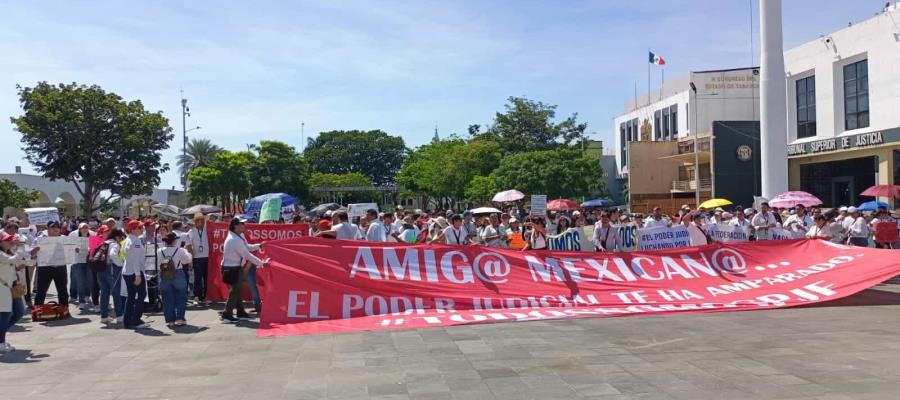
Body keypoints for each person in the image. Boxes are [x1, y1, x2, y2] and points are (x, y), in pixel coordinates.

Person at [220, 218, 269, 322]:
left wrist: (259, 245)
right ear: (236, 226)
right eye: (242, 223)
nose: (245, 225)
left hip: (236, 268)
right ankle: (226, 314)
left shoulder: (240, 236)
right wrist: (261, 263)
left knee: (238, 291)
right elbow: (247, 254)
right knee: (235, 292)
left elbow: (247, 247)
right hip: (231, 268)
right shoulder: (234, 240)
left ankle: (240, 312)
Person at [0, 233, 30, 353]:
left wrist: (18, 267)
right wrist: (20, 247)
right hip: (2, 288)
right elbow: (14, 259)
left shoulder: (8, 253)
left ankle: (1, 337)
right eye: (6, 240)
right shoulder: (2, 254)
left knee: (19, 312)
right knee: (5, 315)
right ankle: (1, 342)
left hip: (11, 287)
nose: (10, 242)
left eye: (10, 240)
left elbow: (14, 262)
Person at [157, 232, 192, 327]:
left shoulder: (160, 250)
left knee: (167, 298)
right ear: (174, 241)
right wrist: (186, 251)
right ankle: (180, 318)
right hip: (178, 273)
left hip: (164, 274)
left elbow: (158, 263)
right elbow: (188, 260)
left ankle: (170, 320)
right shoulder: (179, 250)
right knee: (181, 296)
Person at [33, 221, 68, 307]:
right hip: (45, 268)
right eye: (52, 227)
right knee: (41, 290)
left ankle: (64, 309)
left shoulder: (65, 238)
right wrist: (35, 250)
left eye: (57, 227)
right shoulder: (39, 238)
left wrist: (75, 249)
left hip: (60, 267)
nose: (55, 229)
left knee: (62, 290)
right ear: (48, 229)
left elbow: (71, 251)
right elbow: (31, 253)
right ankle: (38, 309)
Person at [121, 220, 149, 330]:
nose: (142, 229)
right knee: (141, 295)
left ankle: (128, 321)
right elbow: (135, 260)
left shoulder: (128, 239)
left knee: (131, 297)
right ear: (134, 229)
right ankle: (136, 319)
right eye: (139, 228)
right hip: (134, 272)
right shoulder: (136, 241)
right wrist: (138, 275)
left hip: (127, 271)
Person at [68, 223, 93, 311]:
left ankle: (87, 295)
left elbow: (96, 246)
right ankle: (81, 301)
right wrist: (74, 248)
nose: (85, 229)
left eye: (86, 227)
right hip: (77, 261)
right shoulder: (73, 235)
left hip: (89, 261)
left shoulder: (93, 234)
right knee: (80, 281)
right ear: (79, 229)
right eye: (83, 228)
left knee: (89, 279)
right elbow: (68, 246)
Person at [186, 214, 208, 305]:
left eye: (203, 221)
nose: (202, 223)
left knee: (207, 277)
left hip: (207, 256)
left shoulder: (207, 230)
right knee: (198, 278)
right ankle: (197, 296)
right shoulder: (191, 232)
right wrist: (190, 259)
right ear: (196, 222)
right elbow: (188, 246)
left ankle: (206, 295)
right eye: (200, 221)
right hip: (197, 258)